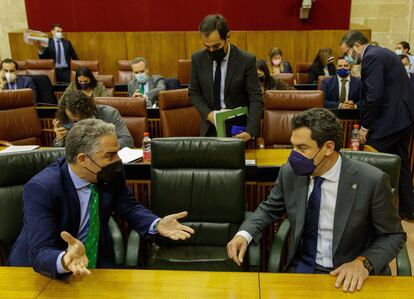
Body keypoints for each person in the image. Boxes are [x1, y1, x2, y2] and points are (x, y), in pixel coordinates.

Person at [227, 108, 406, 292]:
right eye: (293, 146)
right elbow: (268, 209)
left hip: (349, 274)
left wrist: (363, 263)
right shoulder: (290, 173)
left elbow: (393, 235)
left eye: (302, 148)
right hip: (302, 269)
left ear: (328, 148)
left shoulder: (371, 181)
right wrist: (244, 234)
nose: (293, 156)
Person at [7, 118, 194, 278]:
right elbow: (40, 251)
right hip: (43, 268)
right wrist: (65, 260)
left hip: (94, 257)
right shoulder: (42, 188)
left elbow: (128, 206)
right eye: (109, 155)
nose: (117, 161)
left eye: (117, 152)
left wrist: (156, 223)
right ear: (82, 159)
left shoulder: (109, 174)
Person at [341, 31, 414, 220]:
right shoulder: (380, 53)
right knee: (401, 162)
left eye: (347, 52)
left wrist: (365, 127)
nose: (347, 58)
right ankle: (408, 208)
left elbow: (374, 96)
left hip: (392, 119)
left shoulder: (371, 57)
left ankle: (360, 210)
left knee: (365, 157)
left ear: (356, 46)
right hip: (402, 117)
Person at [189, 14, 263, 142]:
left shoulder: (246, 60)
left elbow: (256, 98)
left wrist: (250, 131)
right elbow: (194, 92)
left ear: (228, 36)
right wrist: (208, 114)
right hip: (209, 127)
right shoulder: (198, 59)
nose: (211, 51)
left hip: (237, 129)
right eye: (207, 47)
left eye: (216, 46)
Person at [53, 90, 134, 148]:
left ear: (90, 110)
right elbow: (63, 150)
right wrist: (59, 139)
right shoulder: (66, 117)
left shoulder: (109, 113)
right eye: (75, 121)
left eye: (83, 119)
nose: (79, 122)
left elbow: (127, 141)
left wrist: (98, 147)